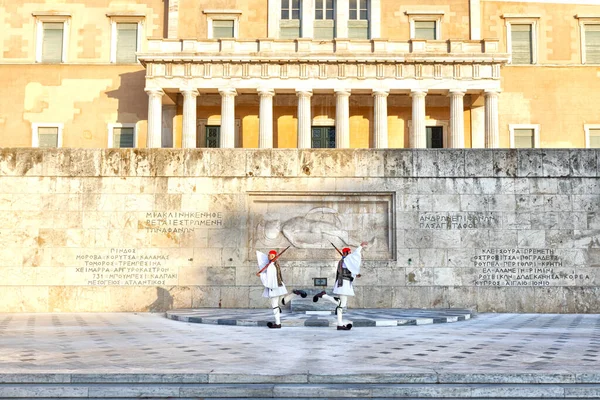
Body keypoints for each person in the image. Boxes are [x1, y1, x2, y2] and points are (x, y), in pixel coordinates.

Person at [313, 241, 368, 330]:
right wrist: (360, 247)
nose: (350, 254)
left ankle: (324, 295)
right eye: (349, 252)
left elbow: (351, 268)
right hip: (343, 283)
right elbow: (355, 256)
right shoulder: (345, 261)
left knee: (342, 304)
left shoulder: (346, 261)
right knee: (341, 305)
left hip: (345, 283)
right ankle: (339, 324)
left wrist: (355, 274)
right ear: (346, 253)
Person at [256, 249, 307, 329]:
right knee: (283, 301)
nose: (269, 256)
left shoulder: (271, 266)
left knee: (275, 305)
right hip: (280, 286)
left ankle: (277, 323)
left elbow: (270, 278)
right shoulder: (275, 264)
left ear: (274, 256)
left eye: (271, 255)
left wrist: (261, 275)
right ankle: (295, 293)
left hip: (274, 287)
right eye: (269, 255)